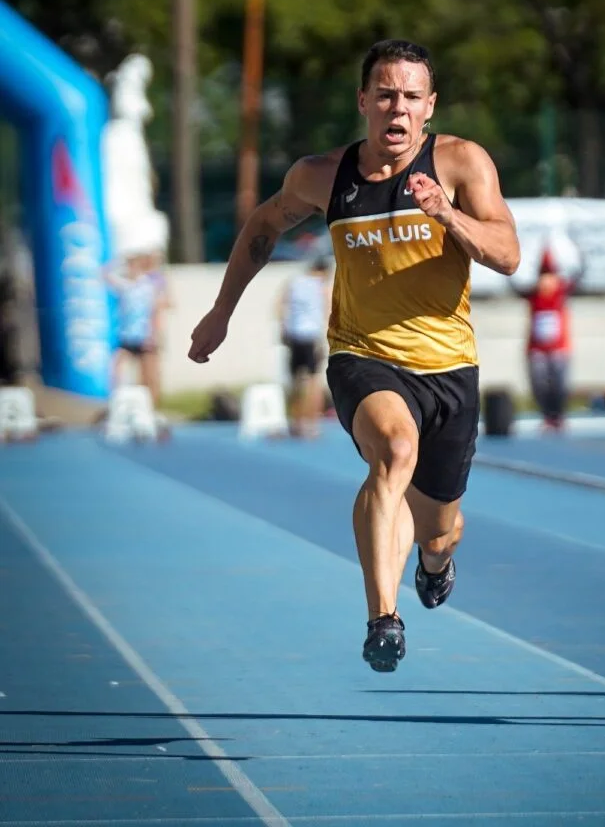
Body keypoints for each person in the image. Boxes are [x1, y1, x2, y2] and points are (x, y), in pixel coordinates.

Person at [189, 40, 521, 672]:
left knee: (440, 529)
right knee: (393, 451)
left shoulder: (459, 163)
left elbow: (507, 255)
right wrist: (221, 311)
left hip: (449, 368)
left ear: (430, 106)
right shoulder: (322, 176)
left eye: (412, 97)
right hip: (362, 357)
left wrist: (447, 215)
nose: (399, 109)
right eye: (386, 95)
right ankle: (382, 619)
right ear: (364, 101)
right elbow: (263, 226)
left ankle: (434, 562)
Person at [520, 247, 576, 432]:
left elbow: (579, 277)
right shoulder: (533, 294)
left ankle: (558, 415)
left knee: (559, 384)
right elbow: (513, 285)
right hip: (537, 349)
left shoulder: (561, 292)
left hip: (559, 348)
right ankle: (546, 415)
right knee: (539, 383)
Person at [278, 255, 331, 438]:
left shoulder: (293, 282)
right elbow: (326, 312)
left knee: (295, 382)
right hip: (311, 336)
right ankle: (312, 423)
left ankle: (296, 422)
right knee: (314, 382)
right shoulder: (321, 286)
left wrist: (284, 329)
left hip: (294, 336)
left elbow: (280, 306)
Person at [106, 251, 168, 406]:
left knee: (149, 374)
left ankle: (151, 407)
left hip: (145, 336)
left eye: (134, 266)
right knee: (116, 369)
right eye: (130, 266)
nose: (131, 269)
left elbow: (156, 311)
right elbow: (104, 275)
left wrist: (155, 334)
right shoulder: (126, 286)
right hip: (128, 336)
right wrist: (120, 260)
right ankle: (116, 402)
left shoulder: (149, 286)